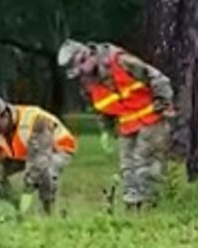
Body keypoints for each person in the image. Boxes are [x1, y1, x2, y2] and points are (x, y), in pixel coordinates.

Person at [58, 40, 175, 211]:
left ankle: (152, 208)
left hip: (151, 120)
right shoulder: (88, 83)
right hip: (127, 125)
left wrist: (163, 102)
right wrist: (106, 130)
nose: (81, 76)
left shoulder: (121, 61)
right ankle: (132, 207)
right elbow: (100, 109)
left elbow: (158, 79)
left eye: (80, 70)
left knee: (145, 165)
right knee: (127, 167)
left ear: (86, 57)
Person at [0, 96, 77, 217]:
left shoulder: (36, 120)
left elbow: (39, 159)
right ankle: (15, 209)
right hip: (23, 153)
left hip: (56, 150)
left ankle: (47, 212)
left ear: (5, 115)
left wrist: (28, 191)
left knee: (46, 172)